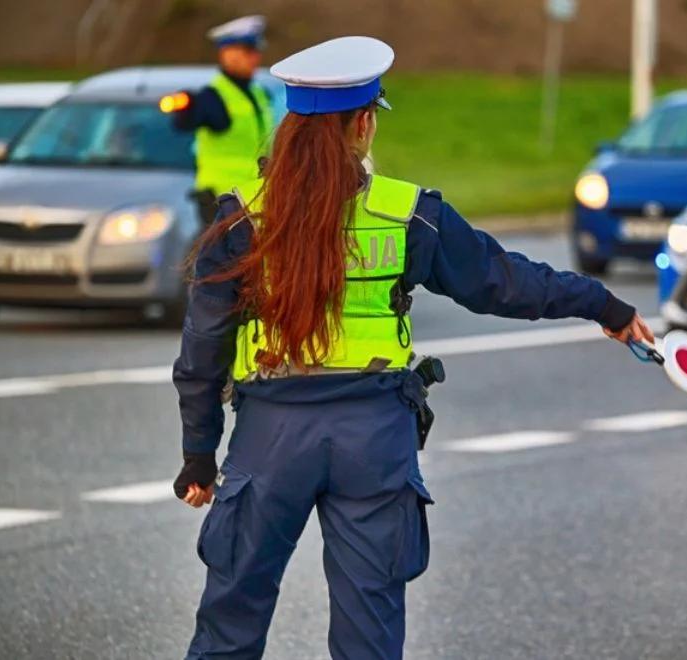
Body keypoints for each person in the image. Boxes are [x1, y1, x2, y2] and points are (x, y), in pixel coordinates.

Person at [171, 36, 654, 660]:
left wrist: (198, 454)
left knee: (230, 621)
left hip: (271, 438)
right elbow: (500, 280)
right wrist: (601, 305)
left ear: (290, 128)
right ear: (364, 124)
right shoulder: (406, 213)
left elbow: (203, 348)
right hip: (373, 439)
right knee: (369, 629)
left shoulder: (242, 219)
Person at [168, 15, 283, 223]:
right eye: (248, 51)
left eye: (256, 51)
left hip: (253, 196)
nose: (255, 58)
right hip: (221, 202)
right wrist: (187, 106)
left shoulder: (259, 94)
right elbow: (183, 123)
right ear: (226, 53)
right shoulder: (212, 97)